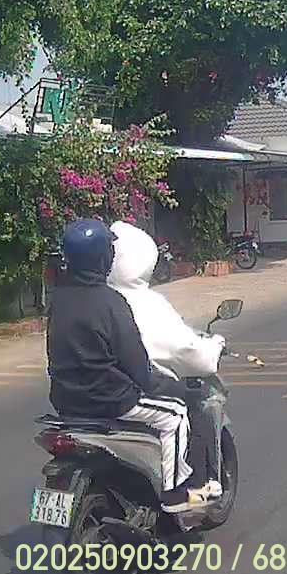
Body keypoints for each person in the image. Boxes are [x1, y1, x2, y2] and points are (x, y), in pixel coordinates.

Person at [46, 219, 211, 513]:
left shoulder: (58, 299)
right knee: (176, 414)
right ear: (103, 258)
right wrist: (166, 385)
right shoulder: (112, 302)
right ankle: (174, 495)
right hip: (111, 401)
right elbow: (137, 366)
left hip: (66, 403)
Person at [108, 221, 225, 500]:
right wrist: (215, 345)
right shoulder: (147, 303)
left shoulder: (95, 298)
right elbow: (187, 351)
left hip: (82, 395)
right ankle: (189, 486)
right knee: (193, 403)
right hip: (130, 390)